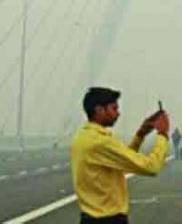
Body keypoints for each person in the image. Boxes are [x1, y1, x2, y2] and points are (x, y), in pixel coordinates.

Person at [70, 87, 170, 223]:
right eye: (114, 108)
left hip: (89, 217)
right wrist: (162, 134)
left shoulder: (83, 137)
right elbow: (151, 167)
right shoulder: (101, 142)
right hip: (108, 219)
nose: (118, 113)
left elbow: (121, 160)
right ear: (99, 110)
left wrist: (141, 134)